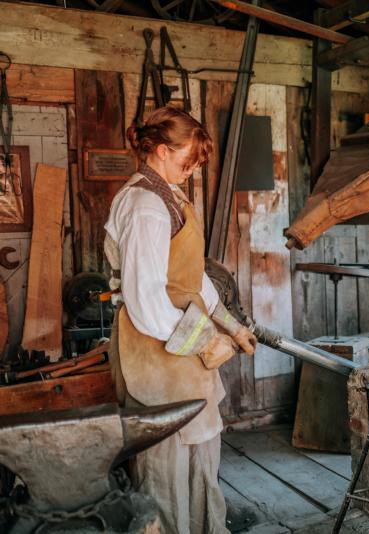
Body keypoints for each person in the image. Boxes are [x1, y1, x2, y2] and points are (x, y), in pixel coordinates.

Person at [104, 106, 257, 534]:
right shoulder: (144, 205)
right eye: (187, 160)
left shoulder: (171, 196)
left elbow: (193, 280)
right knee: (166, 465)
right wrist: (207, 342)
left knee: (201, 454)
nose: (191, 170)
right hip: (155, 352)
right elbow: (145, 300)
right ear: (161, 150)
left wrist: (229, 323)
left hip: (183, 350)